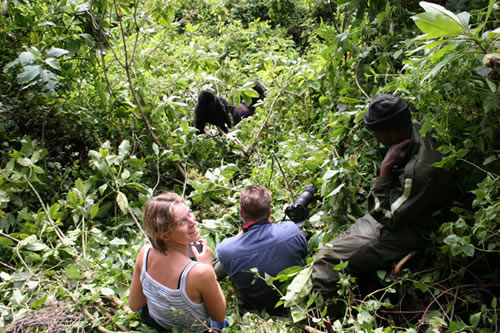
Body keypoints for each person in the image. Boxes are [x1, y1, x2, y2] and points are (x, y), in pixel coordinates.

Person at [312, 94, 452, 297]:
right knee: (347, 240)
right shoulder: (415, 127)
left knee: (326, 260)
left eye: (376, 132)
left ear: (393, 131)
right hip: (410, 207)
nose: (374, 137)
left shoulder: (420, 171)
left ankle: (326, 320)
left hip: (415, 226)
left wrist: (384, 170)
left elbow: (387, 216)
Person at [129, 193, 227, 332]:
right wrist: (207, 267)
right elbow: (219, 316)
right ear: (164, 235)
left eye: (190, 214)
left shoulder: (144, 253)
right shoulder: (201, 272)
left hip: (153, 320)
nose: (193, 222)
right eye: (182, 222)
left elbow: (134, 305)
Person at [215, 185, 308, 314]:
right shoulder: (292, 230)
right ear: (269, 211)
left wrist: (243, 233)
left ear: (241, 213)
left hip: (258, 311)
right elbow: (305, 255)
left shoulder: (226, 250)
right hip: (295, 304)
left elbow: (215, 274)